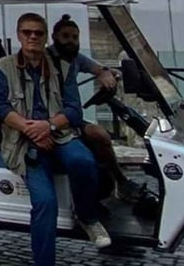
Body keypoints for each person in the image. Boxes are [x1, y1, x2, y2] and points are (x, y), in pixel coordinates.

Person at [0, 12, 111, 266]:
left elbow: (74, 110)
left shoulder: (62, 67)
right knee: (45, 203)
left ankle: (87, 216)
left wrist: (49, 126)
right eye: (27, 32)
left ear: (46, 37)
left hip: (59, 134)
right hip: (23, 141)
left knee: (84, 161)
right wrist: (30, 129)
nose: (32, 37)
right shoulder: (4, 67)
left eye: (38, 33)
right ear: (19, 35)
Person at [50, 14, 141, 203]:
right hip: (53, 119)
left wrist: (106, 73)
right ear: (54, 37)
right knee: (92, 141)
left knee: (100, 136)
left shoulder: (75, 58)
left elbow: (98, 68)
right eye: (65, 36)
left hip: (72, 117)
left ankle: (118, 181)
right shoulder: (46, 59)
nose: (71, 41)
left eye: (75, 37)